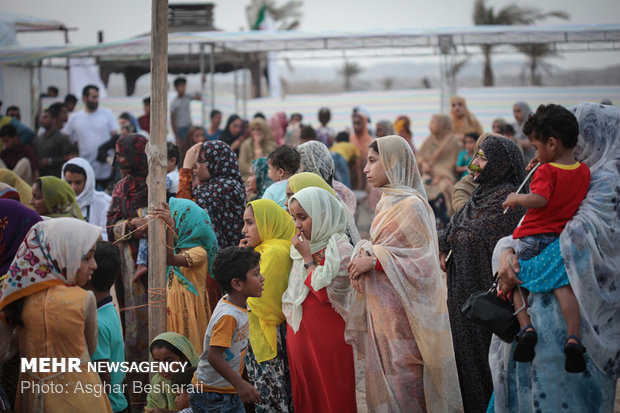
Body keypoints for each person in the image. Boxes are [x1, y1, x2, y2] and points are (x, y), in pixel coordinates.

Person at [488, 102, 620, 413]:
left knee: (564, 395)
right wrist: (507, 253)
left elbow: (578, 241)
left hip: (585, 317)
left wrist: (521, 265)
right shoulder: (579, 172)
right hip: (554, 306)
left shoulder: (608, 185)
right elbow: (530, 229)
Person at [346, 136, 463, 412]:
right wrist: (365, 254)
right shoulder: (386, 202)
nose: (365, 169)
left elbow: (422, 264)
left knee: (407, 377)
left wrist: (374, 262)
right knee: (389, 373)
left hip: (407, 314)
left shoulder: (412, 206)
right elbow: (385, 248)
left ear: (394, 162)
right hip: (384, 312)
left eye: (373, 161)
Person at [437, 135, 525, 412]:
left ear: (501, 164)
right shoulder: (479, 195)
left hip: (490, 304)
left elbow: (472, 235)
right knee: (468, 366)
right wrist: (443, 242)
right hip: (464, 296)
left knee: (489, 368)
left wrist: (452, 237)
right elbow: (453, 228)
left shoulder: (511, 201)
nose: (474, 164)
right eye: (475, 156)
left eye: (482, 157)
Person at [501, 104, 590, 371]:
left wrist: (517, 197)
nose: (535, 153)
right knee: (563, 286)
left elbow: (540, 199)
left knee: (517, 283)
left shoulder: (545, 171)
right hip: (558, 241)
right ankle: (573, 336)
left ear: (552, 143)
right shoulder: (583, 171)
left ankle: (526, 327)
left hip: (533, 239)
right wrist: (543, 161)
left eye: (537, 147)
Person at [0, 218, 113, 412]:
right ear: (63, 255)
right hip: (80, 395)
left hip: (33, 397)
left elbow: (5, 351)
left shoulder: (17, 299)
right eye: (87, 258)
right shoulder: (84, 298)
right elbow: (91, 347)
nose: (94, 265)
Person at [282, 186, 357, 413]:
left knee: (333, 392)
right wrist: (305, 254)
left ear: (322, 214)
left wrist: (308, 257)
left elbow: (324, 294)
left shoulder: (340, 249)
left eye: (303, 217)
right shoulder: (299, 248)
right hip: (299, 330)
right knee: (307, 391)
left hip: (328, 333)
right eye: (294, 217)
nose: (297, 225)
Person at [190, 247, 263, 412]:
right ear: (237, 284)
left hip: (226, 388)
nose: (262, 278)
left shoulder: (236, 303)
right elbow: (214, 356)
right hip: (212, 394)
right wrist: (240, 384)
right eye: (256, 274)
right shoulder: (229, 316)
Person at [240, 199, 295, 412]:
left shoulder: (272, 252)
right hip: (261, 333)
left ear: (268, 222)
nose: (244, 229)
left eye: (250, 223)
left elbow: (255, 299)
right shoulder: (266, 249)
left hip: (268, 332)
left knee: (270, 395)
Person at [106, 134, 150, 406]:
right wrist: (133, 225)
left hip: (162, 265)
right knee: (133, 333)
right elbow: (111, 227)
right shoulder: (121, 188)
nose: (117, 160)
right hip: (128, 268)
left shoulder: (159, 184)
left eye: (122, 154)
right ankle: (136, 398)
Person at [151, 198, 219, 352]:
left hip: (190, 311)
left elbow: (169, 259)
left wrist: (169, 227)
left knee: (189, 354)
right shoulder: (177, 248)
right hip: (174, 310)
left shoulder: (199, 252)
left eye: (175, 220)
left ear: (185, 224)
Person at [178, 141, 246, 249]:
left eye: (200, 161)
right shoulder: (220, 185)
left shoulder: (224, 188)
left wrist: (186, 168)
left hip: (224, 259)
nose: (194, 166)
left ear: (217, 162)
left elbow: (182, 210)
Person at [87, 241, 128, 413]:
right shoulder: (108, 309)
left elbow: (103, 378)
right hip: (118, 402)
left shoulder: (96, 322)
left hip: (106, 406)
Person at [62, 85, 117, 189]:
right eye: (93, 97)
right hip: (84, 167)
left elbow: (115, 136)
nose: (96, 100)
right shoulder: (75, 118)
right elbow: (66, 137)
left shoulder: (107, 114)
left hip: (105, 167)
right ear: (84, 98)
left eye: (97, 97)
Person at [416, 114, 460, 218]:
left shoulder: (452, 141)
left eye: (433, 122)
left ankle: (442, 227)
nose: (429, 125)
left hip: (445, 177)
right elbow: (419, 156)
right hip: (428, 175)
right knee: (419, 190)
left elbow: (450, 164)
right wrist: (423, 163)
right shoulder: (430, 140)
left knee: (443, 190)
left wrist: (438, 176)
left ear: (441, 124)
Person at [146, 332, 200, 413]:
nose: (163, 368)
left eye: (169, 361)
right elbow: (151, 407)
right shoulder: (158, 382)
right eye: (158, 362)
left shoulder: (199, 380)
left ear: (184, 358)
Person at [62, 157, 111, 239]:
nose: (73, 187)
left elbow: (109, 236)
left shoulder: (102, 202)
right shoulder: (60, 202)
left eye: (78, 182)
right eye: (69, 182)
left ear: (88, 181)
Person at [32, 109, 72, 178]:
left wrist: (50, 161)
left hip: (56, 177)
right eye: (41, 117)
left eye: (45, 117)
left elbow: (69, 157)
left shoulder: (62, 138)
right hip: (41, 178)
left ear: (54, 120)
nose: (42, 120)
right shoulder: (38, 139)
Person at [171, 77, 194, 146]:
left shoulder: (187, 97)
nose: (183, 88)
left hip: (189, 127)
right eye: (181, 86)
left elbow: (199, 97)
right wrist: (176, 136)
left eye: (184, 86)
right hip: (180, 129)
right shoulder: (174, 103)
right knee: (183, 147)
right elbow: (172, 120)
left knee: (191, 146)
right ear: (176, 88)